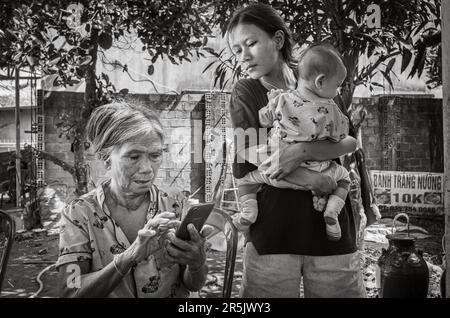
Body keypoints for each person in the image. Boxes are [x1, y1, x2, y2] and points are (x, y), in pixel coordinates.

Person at [227, 3, 367, 297]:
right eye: (237, 50)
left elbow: (347, 144)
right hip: (274, 236)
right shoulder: (246, 91)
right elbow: (248, 152)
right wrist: (312, 179)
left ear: (277, 40)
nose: (244, 56)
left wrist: (301, 152)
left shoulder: (317, 74)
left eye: (251, 43)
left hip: (332, 236)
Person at [56, 102, 208, 298]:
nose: (147, 168)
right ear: (106, 158)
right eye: (133, 156)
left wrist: (197, 263)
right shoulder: (79, 214)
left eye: (155, 155)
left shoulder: (175, 206)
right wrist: (129, 256)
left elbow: (192, 285)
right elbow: (70, 289)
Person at [234, 43, 352, 242]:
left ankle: (248, 212)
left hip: (278, 174)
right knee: (345, 179)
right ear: (321, 81)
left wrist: (272, 105)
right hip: (322, 172)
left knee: (246, 181)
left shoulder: (281, 99)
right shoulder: (333, 111)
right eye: (338, 85)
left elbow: (263, 120)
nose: (338, 91)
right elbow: (344, 140)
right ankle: (332, 211)